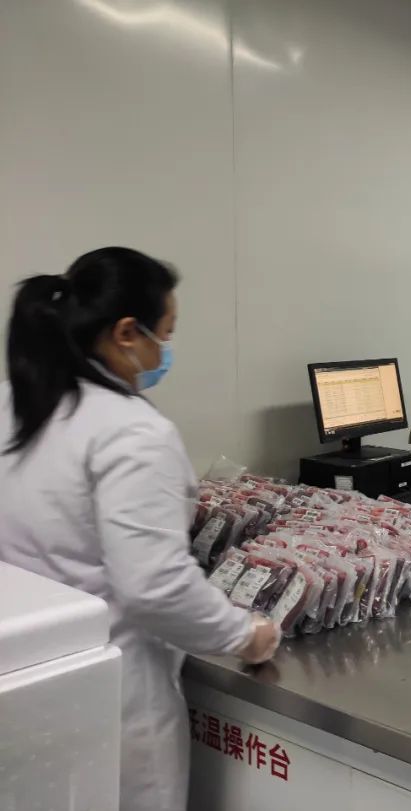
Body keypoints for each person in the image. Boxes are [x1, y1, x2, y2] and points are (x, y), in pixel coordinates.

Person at [0, 248, 280, 811]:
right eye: (165, 334)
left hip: (31, 675)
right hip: (117, 694)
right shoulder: (131, 432)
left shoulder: (16, 402)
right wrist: (243, 633)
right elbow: (154, 586)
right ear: (127, 332)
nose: (164, 351)